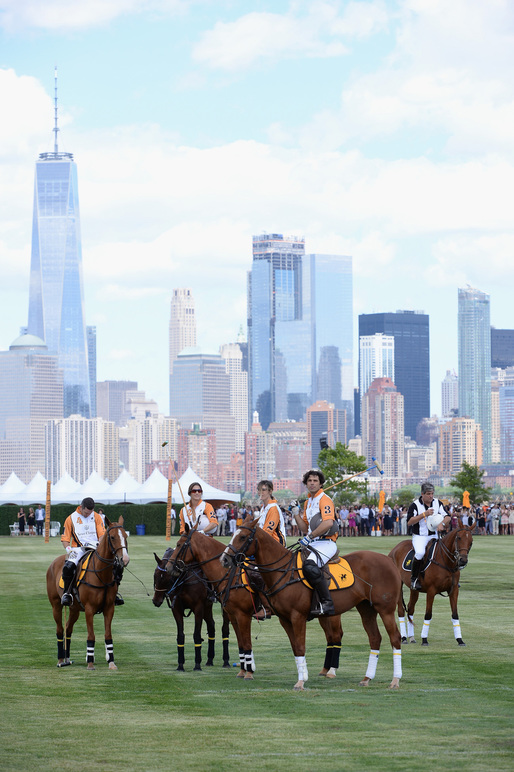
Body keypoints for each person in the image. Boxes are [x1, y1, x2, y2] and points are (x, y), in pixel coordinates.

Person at [293, 469, 337, 616]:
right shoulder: (308, 502)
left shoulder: (325, 499)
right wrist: (295, 514)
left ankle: (327, 603)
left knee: (310, 567)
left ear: (320, 483)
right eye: (309, 481)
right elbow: (304, 527)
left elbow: (328, 523)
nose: (312, 483)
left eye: (315, 481)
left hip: (326, 542)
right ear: (306, 484)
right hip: (313, 542)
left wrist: (310, 537)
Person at [60, 498, 106, 606]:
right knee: (68, 567)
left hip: (95, 547)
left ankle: (113, 593)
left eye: (90, 513)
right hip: (78, 549)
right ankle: (67, 594)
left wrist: (101, 544)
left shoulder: (96, 517)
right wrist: (69, 550)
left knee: (112, 563)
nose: (87, 515)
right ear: (81, 507)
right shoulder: (70, 518)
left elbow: (102, 534)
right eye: (86, 513)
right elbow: (65, 539)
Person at [407, 482, 451, 590]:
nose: (431, 496)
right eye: (428, 494)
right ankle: (414, 579)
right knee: (420, 553)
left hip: (434, 535)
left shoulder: (437, 503)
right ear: (422, 494)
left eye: (432, 493)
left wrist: (442, 524)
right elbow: (410, 522)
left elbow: (448, 517)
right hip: (420, 536)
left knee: (446, 551)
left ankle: (450, 578)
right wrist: (424, 514)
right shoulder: (415, 505)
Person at [255, 480, 286, 545]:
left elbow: (267, 533)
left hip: (276, 545)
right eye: (259, 490)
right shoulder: (264, 507)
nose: (260, 492)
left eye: (263, 490)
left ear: (270, 491)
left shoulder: (273, 508)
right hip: (267, 543)